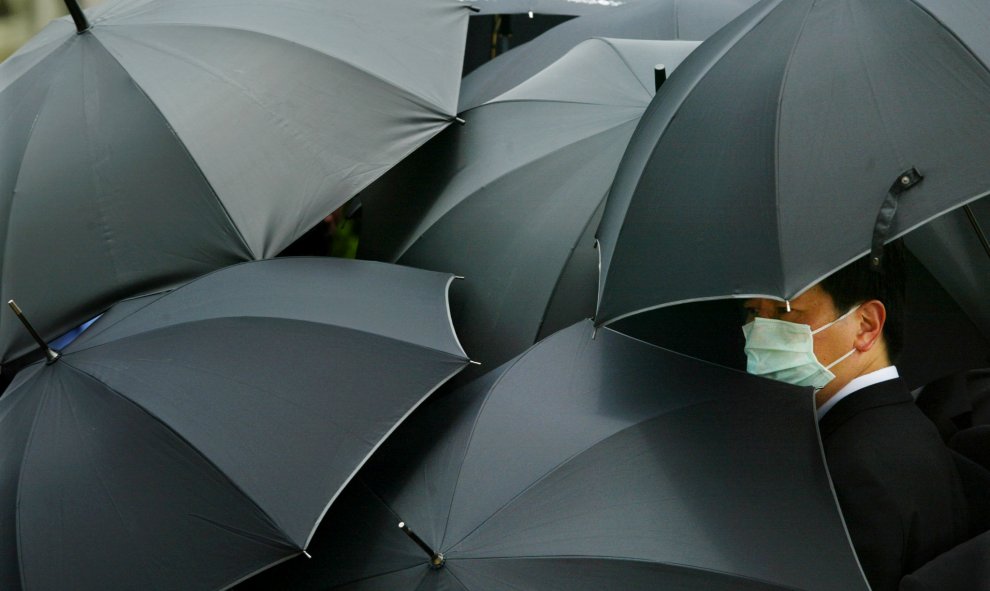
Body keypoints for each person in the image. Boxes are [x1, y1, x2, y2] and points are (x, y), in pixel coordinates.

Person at [741, 242, 973, 591]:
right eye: (752, 312)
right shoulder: (906, 426)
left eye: (784, 310)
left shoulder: (852, 468)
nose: (760, 330)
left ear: (865, 325)